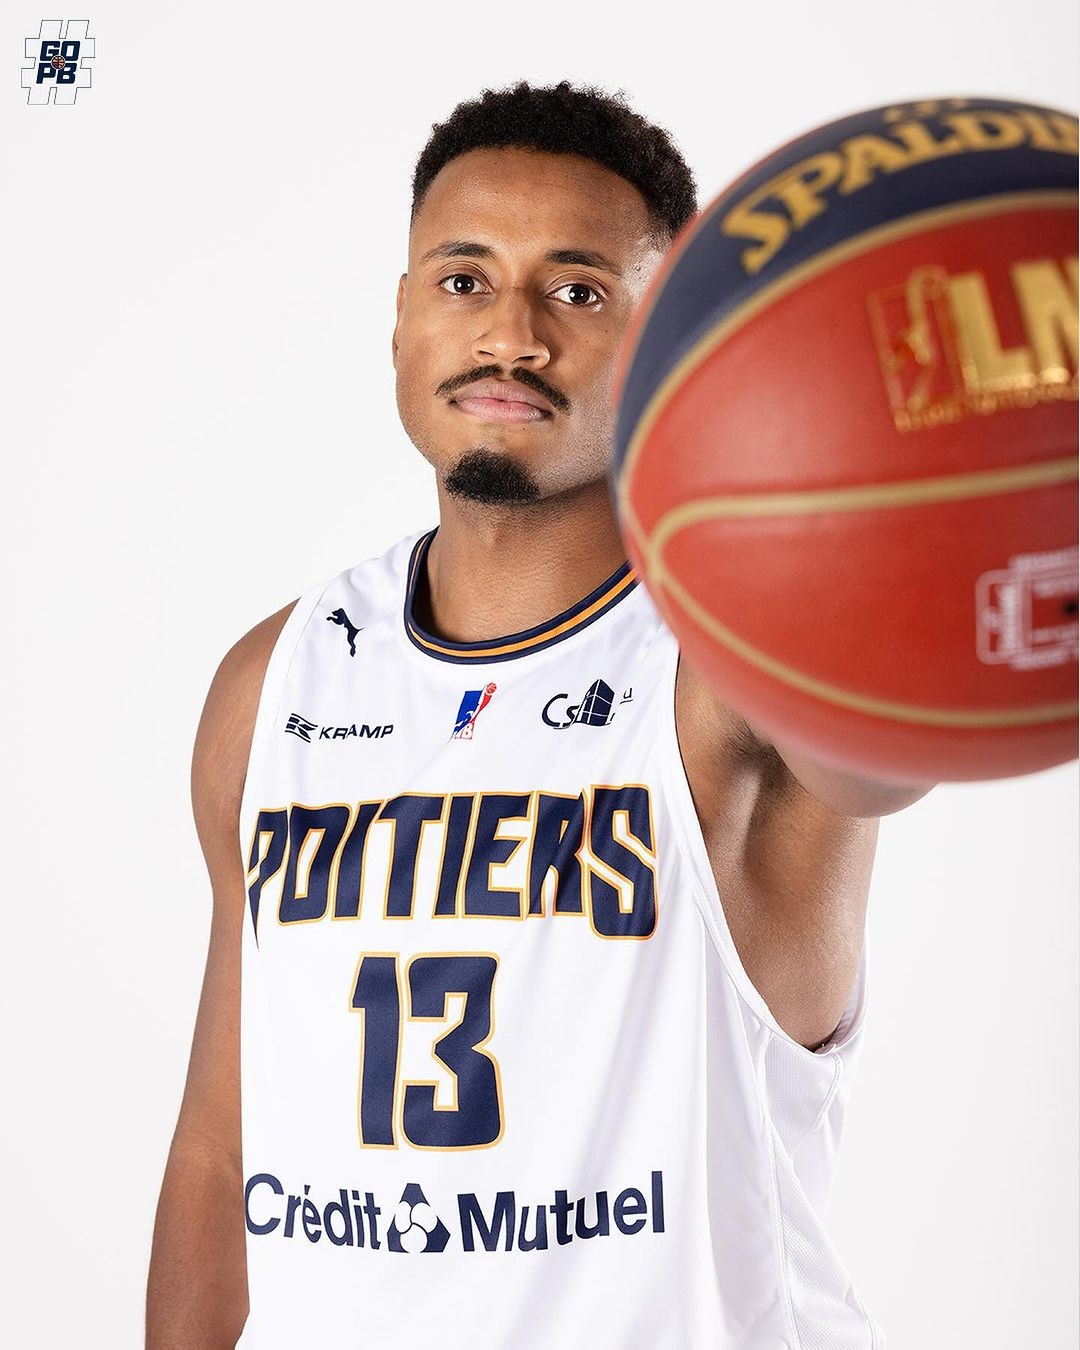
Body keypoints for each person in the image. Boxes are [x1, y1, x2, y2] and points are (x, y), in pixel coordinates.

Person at [146, 80, 933, 1348]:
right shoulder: (276, 679)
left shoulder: (738, 662)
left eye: (578, 292)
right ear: (401, 319)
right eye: (463, 280)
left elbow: (886, 746)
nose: (509, 336)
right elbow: (218, 1147)